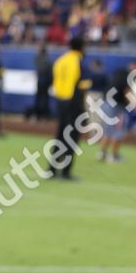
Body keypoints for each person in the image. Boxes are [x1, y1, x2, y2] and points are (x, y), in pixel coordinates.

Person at [50, 35, 90, 179]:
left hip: (60, 100)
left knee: (60, 135)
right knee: (72, 137)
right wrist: (83, 110)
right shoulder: (79, 60)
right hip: (74, 101)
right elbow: (82, 87)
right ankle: (65, 172)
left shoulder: (61, 59)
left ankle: (52, 170)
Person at [98, 58, 136, 163]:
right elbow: (127, 91)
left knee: (109, 130)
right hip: (116, 105)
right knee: (119, 131)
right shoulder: (128, 75)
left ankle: (102, 154)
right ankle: (113, 156)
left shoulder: (120, 71)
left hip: (108, 102)